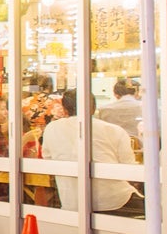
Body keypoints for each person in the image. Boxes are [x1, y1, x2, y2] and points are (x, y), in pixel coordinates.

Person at [40, 88, 143, 216]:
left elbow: (48, 159)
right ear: (93, 108)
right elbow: (129, 170)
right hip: (115, 201)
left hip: (72, 203)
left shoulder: (51, 128)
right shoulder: (114, 130)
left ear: (65, 110)